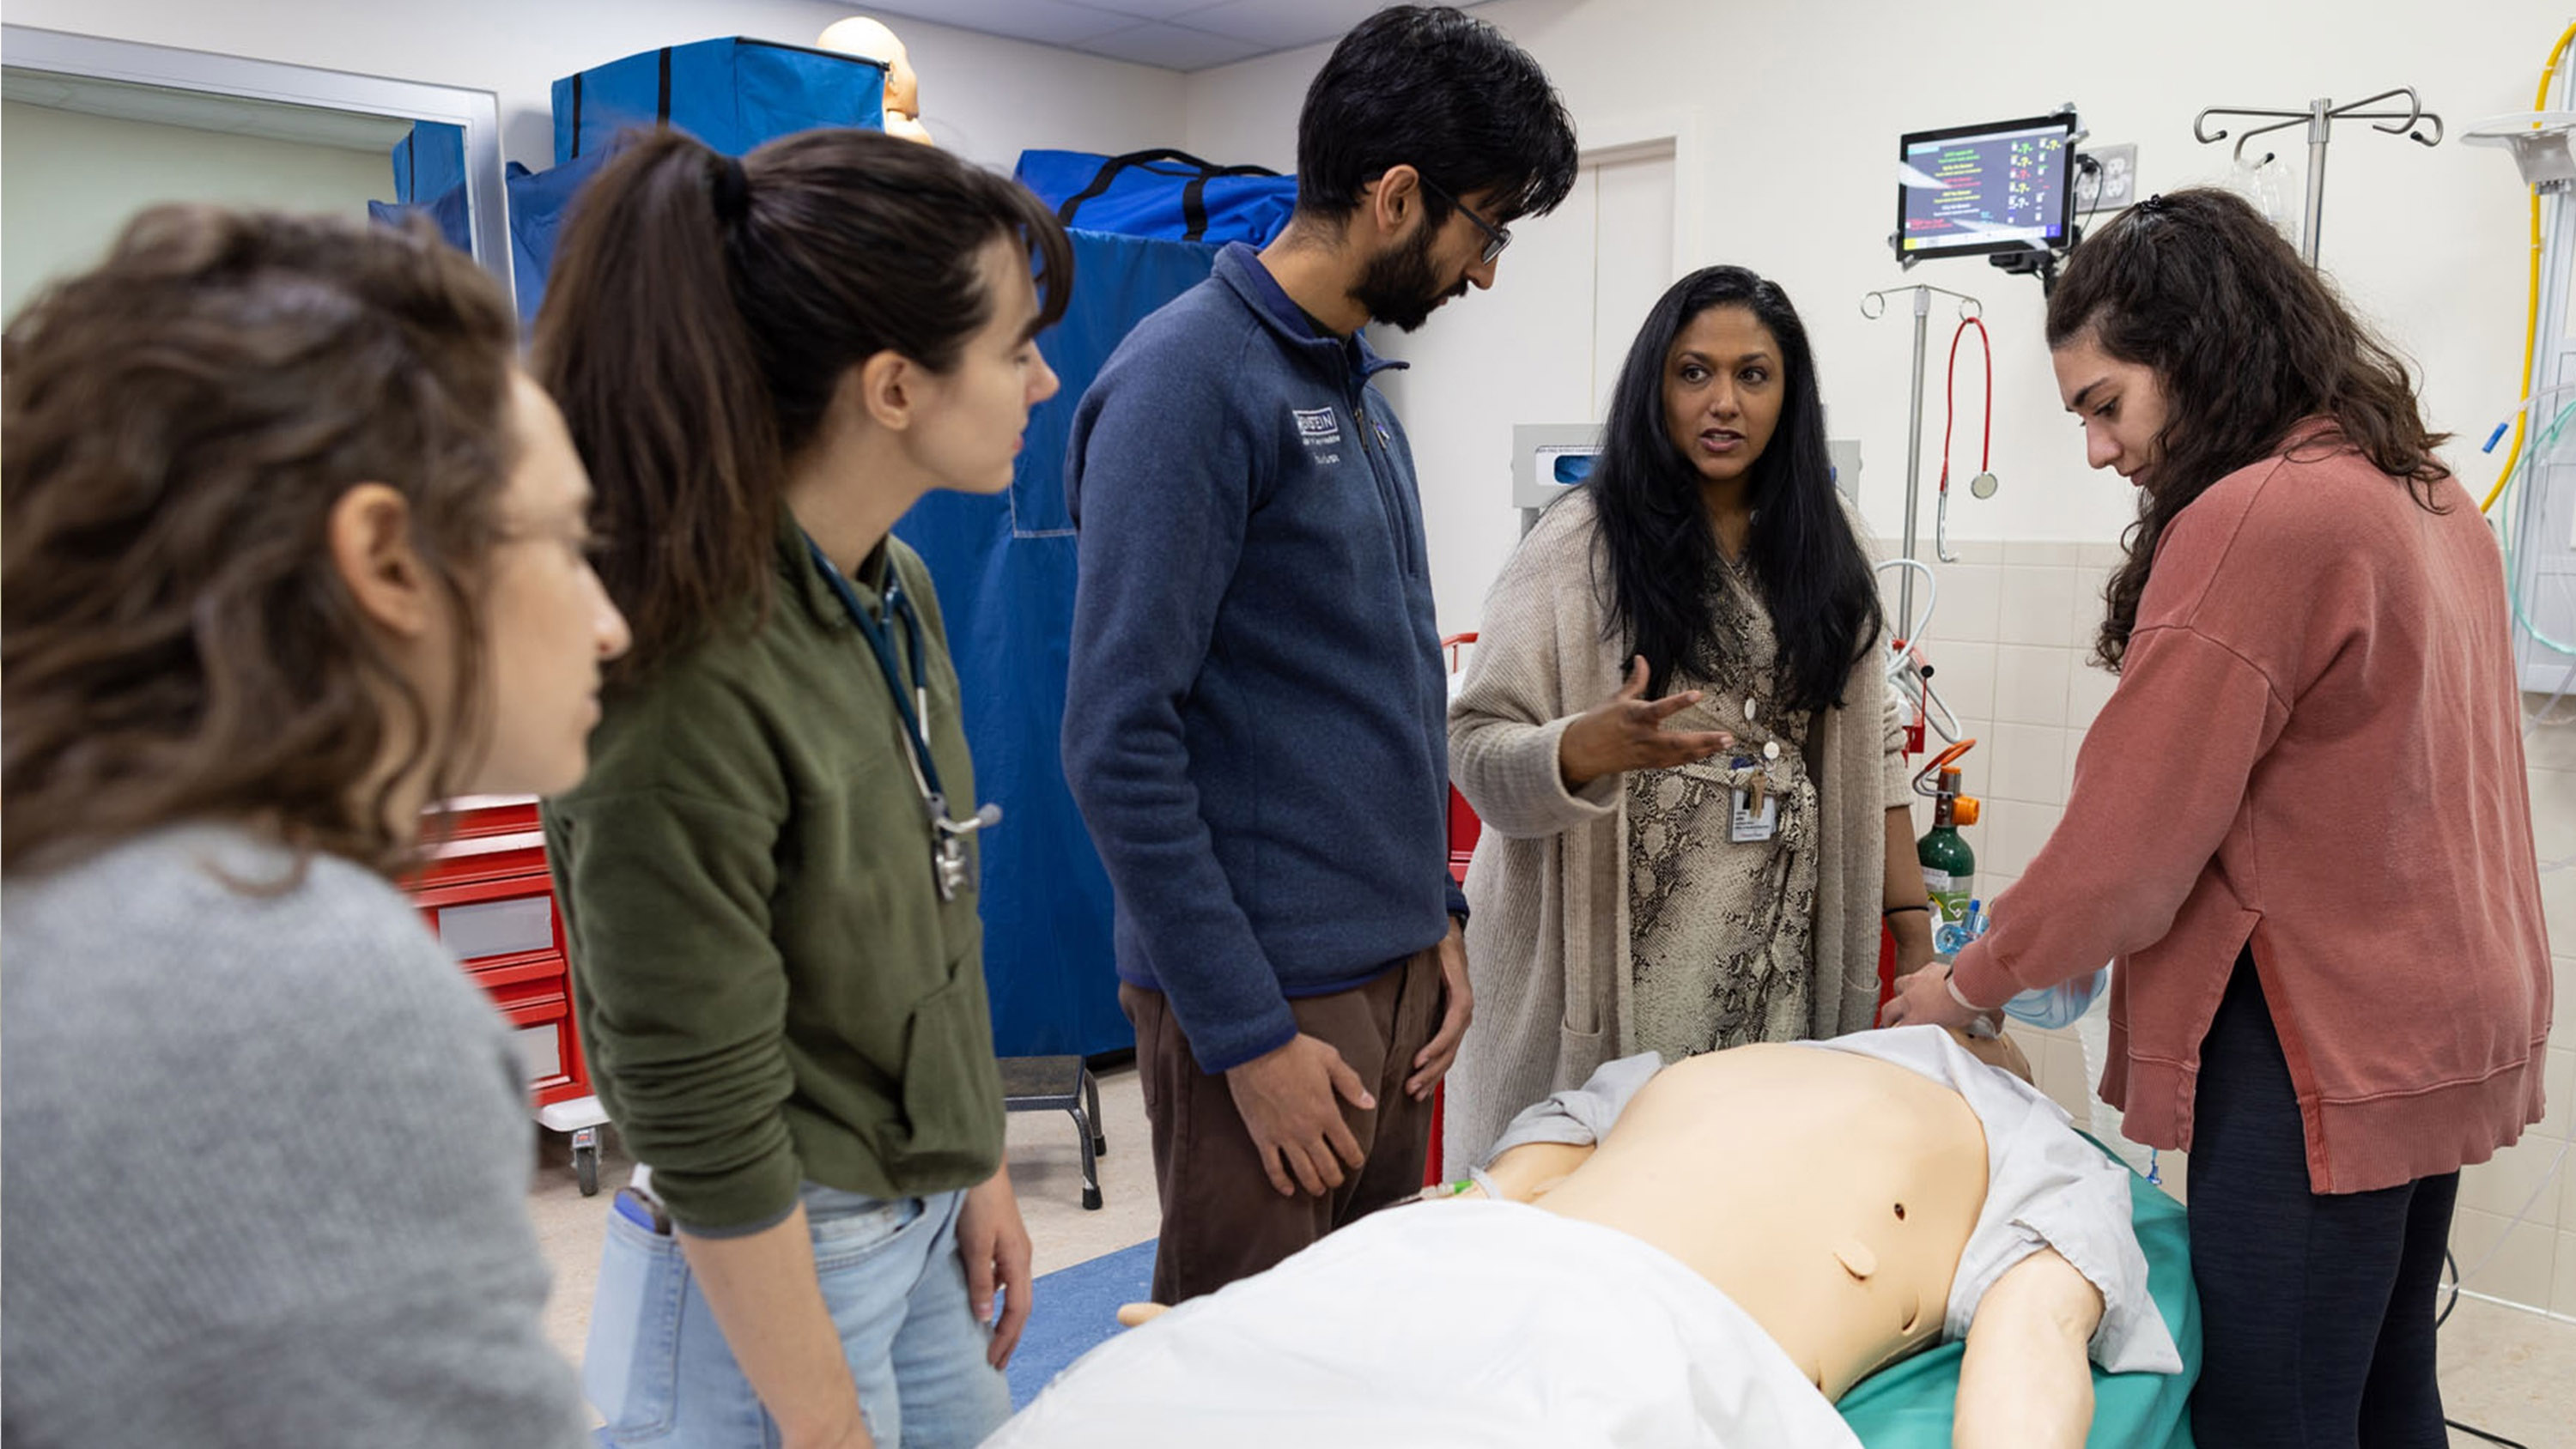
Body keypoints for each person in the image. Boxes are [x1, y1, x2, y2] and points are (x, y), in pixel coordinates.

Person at [1880, 188, 2554, 1447]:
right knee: (2384, 1382)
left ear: (2194, 356)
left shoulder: (2263, 516)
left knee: (2273, 1411)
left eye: (2105, 406)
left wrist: (1968, 984)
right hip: (2440, 1018)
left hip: (2320, 1041)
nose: (2096, 450)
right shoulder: (2423, 494)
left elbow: (2129, 849)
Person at [1, 207, 627, 1446]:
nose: (607, 620)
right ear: (388, 559)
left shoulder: (65, 870)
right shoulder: (294, 982)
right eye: (565, 543)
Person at [532, 128, 1070, 1449]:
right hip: (776, 1251)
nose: (1045, 381)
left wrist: (980, 1162)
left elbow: (934, 915)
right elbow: (699, 1105)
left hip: (918, 1203)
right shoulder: (681, 669)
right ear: (894, 386)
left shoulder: (893, 585)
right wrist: (821, 1426)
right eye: (1014, 349)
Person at [1060, 3, 1580, 1306]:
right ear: (1398, 197)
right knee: (1248, 1381)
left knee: (1361, 1359)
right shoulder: (1188, 384)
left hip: (1391, 985)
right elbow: (1119, 739)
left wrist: (1440, 919)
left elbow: (1383, 686)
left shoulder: (1353, 387)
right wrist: (1245, 1037)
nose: (1487, 270)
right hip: (1272, 1004)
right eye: (1487, 227)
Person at [982, 1025, 2184, 1449]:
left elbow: (2038, 1329)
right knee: (1184, 1388)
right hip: (1455, 1274)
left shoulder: (2029, 1136)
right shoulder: (1705, 1066)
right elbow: (1498, 1189)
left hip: (1655, 1337)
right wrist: (1301, 1295)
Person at [1445, 265, 1927, 1169]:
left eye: (1754, 374)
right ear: (1655, 386)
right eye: (1693, 371)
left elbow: (1873, 755)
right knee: (1616, 1186)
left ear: (1790, 394)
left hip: (1775, 934)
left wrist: (1920, 941)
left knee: (1741, 1182)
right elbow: (1473, 742)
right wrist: (1578, 749)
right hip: (1626, 946)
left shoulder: (1832, 540)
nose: (1724, 402)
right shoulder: (1579, 543)